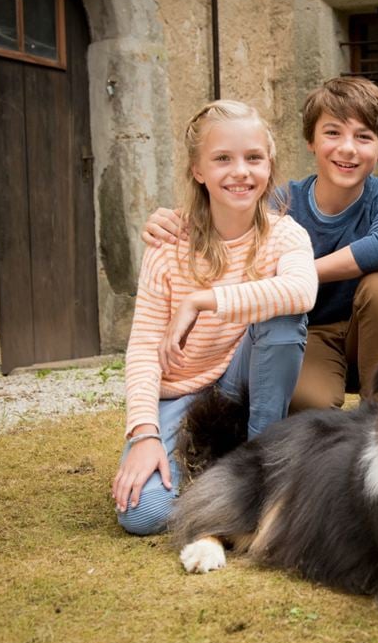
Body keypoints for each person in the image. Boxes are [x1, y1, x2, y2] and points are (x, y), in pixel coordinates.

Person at [142, 77, 378, 412]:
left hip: (370, 331)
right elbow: (228, 221)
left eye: (364, 137)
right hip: (306, 330)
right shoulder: (282, 202)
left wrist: (299, 275)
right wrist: (172, 220)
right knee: (306, 403)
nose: (348, 148)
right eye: (333, 133)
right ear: (310, 141)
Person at [113, 100, 318, 536]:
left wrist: (203, 300)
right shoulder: (168, 242)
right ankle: (202, 469)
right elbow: (145, 347)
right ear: (198, 170)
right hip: (179, 393)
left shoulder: (285, 234)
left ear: (269, 165)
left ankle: (259, 469)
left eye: (253, 158)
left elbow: (303, 290)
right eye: (222, 158)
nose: (240, 172)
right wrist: (144, 432)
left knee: (282, 317)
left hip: (239, 382)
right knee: (143, 514)